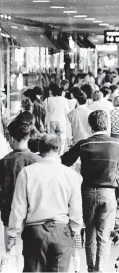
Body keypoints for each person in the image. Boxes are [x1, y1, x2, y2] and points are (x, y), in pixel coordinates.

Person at [7, 134, 83, 272]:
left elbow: (18, 207)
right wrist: (75, 230)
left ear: (39, 150)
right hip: (61, 231)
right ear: (59, 149)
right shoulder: (71, 175)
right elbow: (76, 208)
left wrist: (13, 234)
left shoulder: (26, 173)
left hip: (34, 232)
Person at [61, 110, 119, 272]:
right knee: (104, 236)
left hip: (86, 193)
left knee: (90, 235)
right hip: (108, 194)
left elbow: (64, 161)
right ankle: (100, 269)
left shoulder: (83, 144)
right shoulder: (116, 145)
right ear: (106, 124)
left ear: (90, 125)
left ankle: (92, 270)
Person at [0, 119, 41, 270]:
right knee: (32, 260)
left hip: (9, 219)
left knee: (11, 257)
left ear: (11, 138)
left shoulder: (3, 163)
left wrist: (7, 207)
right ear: (28, 137)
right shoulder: (38, 161)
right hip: (35, 220)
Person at [44, 83, 70, 154]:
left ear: (51, 91)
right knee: (61, 138)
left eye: (49, 90)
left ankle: (53, 153)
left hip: (51, 120)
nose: (49, 92)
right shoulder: (64, 99)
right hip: (61, 120)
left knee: (52, 138)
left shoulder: (47, 100)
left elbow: (45, 112)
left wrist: (45, 123)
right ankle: (60, 153)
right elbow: (67, 112)